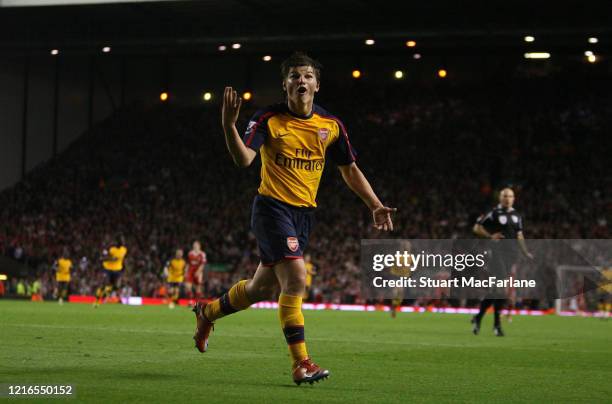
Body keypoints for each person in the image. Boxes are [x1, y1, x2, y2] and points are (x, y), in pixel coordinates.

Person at [192, 52, 396, 385]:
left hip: (303, 215)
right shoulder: (268, 118)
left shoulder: (330, 125)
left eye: (307, 76)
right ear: (285, 84)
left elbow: (350, 169)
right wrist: (229, 126)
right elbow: (244, 160)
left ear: (317, 84)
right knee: (297, 278)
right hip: (272, 208)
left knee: (261, 287)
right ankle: (301, 363)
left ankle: (208, 312)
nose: (301, 81)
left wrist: (374, 204)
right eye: (294, 76)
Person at [471, 187, 533, 336]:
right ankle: (497, 325)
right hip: (496, 254)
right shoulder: (494, 213)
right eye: (505, 196)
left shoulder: (517, 215)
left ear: (514, 199)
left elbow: (519, 235)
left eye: (510, 196)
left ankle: (478, 318)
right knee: (501, 289)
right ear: (500, 198)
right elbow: (476, 228)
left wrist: (525, 252)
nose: (507, 199)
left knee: (495, 291)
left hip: (511, 255)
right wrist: (489, 236)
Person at [94, 235, 128, 307]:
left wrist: (125, 269)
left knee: (115, 286)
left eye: (123, 240)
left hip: (117, 270)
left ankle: (108, 297)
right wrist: (111, 259)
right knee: (105, 283)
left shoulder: (124, 250)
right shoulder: (111, 249)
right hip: (108, 269)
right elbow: (102, 258)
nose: (123, 242)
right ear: (117, 242)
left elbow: (123, 260)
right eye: (121, 240)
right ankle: (98, 298)